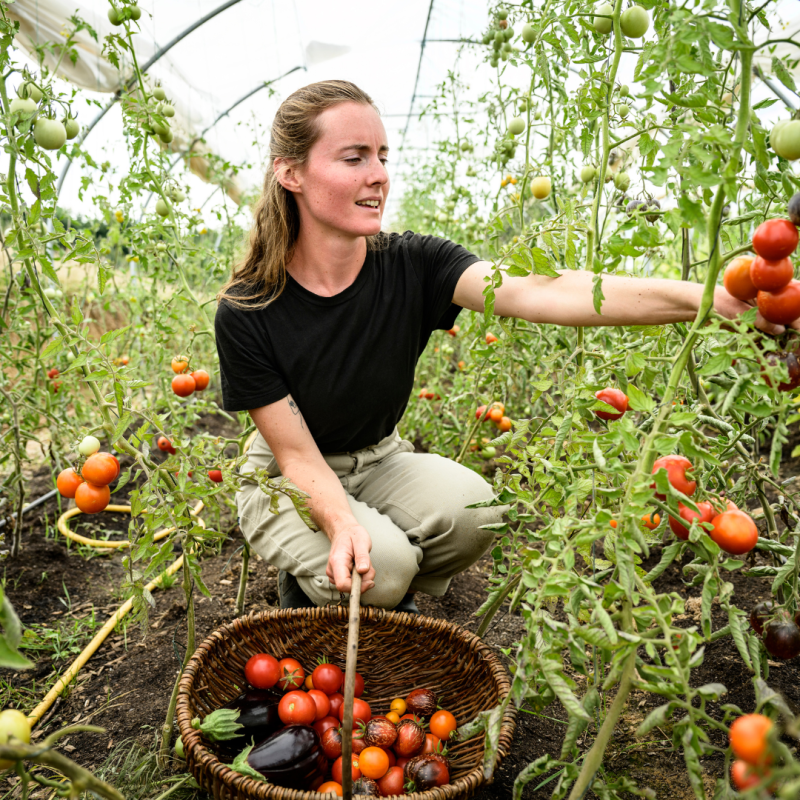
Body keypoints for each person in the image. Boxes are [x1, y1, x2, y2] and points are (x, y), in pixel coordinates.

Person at [214, 80, 788, 614]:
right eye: (354, 157)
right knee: (382, 572)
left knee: (479, 517)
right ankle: (321, 581)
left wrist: (708, 298)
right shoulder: (250, 307)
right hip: (287, 478)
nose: (378, 175)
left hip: (380, 457)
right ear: (290, 173)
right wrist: (340, 523)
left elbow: (552, 292)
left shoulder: (414, 263)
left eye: (383, 156)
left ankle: (365, 575)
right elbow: (294, 457)